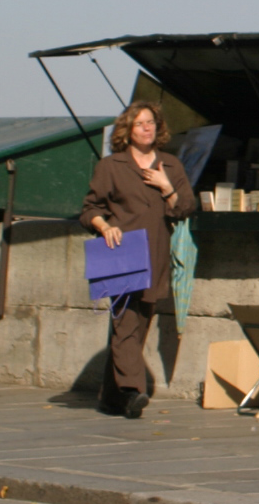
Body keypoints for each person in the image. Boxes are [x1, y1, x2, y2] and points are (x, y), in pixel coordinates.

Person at [80, 101, 197, 419]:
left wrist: (167, 188)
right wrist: (104, 226)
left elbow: (186, 206)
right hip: (121, 253)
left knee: (139, 321)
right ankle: (133, 391)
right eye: (140, 124)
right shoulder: (111, 165)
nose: (147, 128)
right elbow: (90, 208)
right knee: (126, 322)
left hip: (156, 253)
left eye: (152, 123)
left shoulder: (171, 165)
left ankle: (111, 398)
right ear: (127, 131)